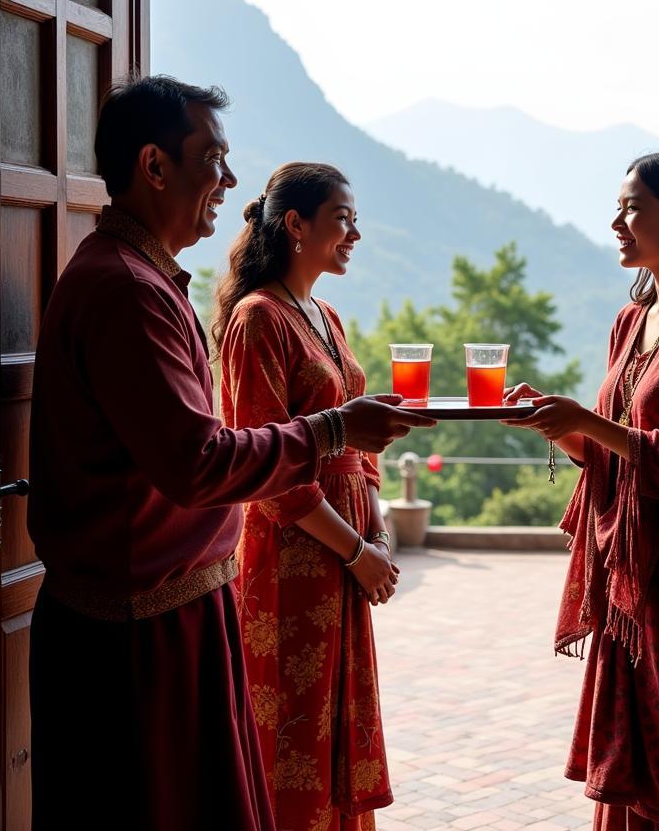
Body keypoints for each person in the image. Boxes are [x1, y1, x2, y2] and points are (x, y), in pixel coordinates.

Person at [28, 77, 434, 831]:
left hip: (177, 611)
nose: (228, 181)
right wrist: (335, 433)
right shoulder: (129, 291)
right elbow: (199, 463)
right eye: (212, 158)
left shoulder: (147, 280)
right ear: (154, 167)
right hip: (142, 628)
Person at [504, 149, 659, 831]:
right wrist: (557, 427)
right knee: (629, 768)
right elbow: (614, 456)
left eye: (631, 208)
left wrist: (588, 421)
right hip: (629, 580)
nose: (616, 222)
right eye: (617, 207)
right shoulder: (631, 317)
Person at [214, 162, 401, 830]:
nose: (354, 233)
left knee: (335, 723)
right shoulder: (258, 319)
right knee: (293, 734)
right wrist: (356, 552)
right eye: (342, 219)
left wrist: (376, 536)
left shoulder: (325, 314)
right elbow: (266, 474)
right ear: (296, 225)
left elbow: (358, 447)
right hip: (293, 560)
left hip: (343, 554)